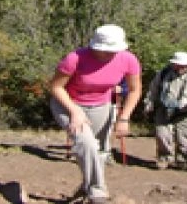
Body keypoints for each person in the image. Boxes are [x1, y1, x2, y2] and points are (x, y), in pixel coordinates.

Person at [50, 24, 142, 204]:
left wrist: (124, 118)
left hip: (101, 105)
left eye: (113, 50)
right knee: (86, 144)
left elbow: (134, 89)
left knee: (99, 151)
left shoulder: (128, 60)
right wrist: (74, 111)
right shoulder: (75, 58)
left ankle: (86, 188)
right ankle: (97, 193)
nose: (109, 54)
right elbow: (56, 87)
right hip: (68, 103)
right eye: (105, 50)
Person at [143, 51, 187, 170]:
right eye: (178, 65)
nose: (181, 67)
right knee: (162, 135)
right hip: (164, 109)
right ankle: (164, 158)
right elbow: (153, 90)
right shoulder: (163, 73)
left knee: (184, 138)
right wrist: (149, 104)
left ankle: (183, 159)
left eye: (184, 65)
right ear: (173, 64)